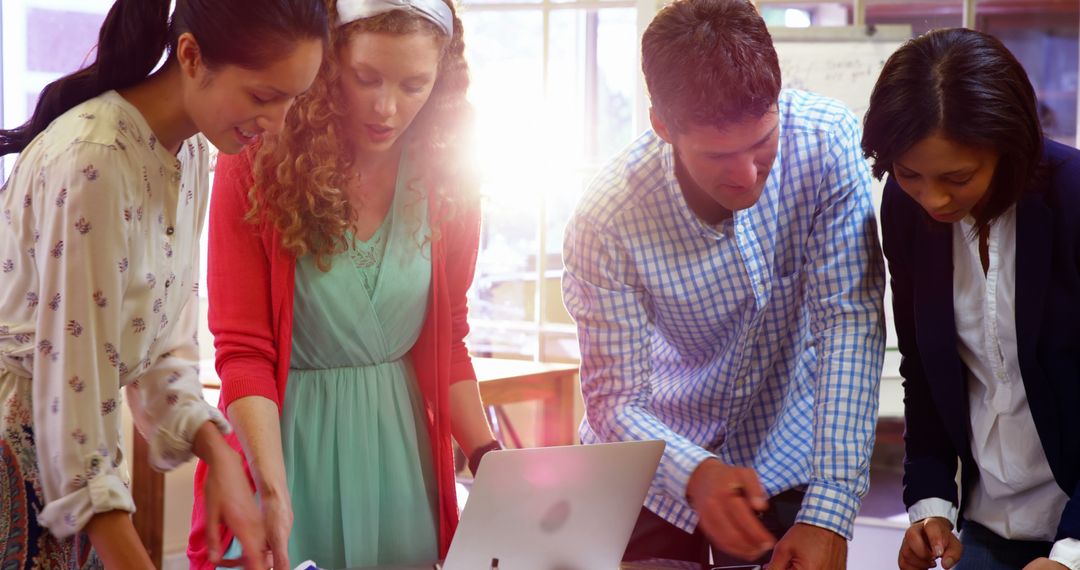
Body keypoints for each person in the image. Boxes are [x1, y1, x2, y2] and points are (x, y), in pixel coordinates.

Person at [0, 0, 327, 569]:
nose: (277, 123)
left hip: (76, 459)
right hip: (26, 453)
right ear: (192, 56)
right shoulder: (95, 161)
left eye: (291, 100)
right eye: (263, 96)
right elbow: (73, 410)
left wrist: (219, 454)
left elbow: (159, 346)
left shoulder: (191, 146)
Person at [560, 0, 886, 567]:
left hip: (785, 448)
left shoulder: (826, 143)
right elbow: (616, 401)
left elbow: (848, 326)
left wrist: (830, 509)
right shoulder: (606, 218)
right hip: (655, 458)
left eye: (762, 143)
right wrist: (694, 471)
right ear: (663, 126)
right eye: (718, 155)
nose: (747, 174)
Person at [186, 0, 499, 568]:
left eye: (413, 85)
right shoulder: (257, 159)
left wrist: (491, 459)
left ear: (442, 81)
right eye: (366, 77)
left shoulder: (449, 175)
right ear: (330, 63)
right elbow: (243, 352)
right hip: (283, 449)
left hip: (400, 456)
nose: (386, 107)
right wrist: (271, 492)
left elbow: (448, 340)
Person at [864, 27, 1080, 570]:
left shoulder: (1073, 196)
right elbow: (923, 364)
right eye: (909, 174)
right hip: (988, 520)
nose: (933, 198)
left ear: (1008, 148)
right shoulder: (906, 209)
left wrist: (1071, 551)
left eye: (957, 177)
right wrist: (931, 500)